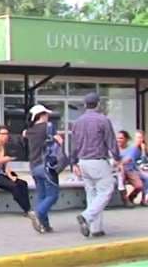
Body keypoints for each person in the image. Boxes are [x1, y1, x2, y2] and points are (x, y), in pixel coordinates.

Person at [71, 92, 121, 238]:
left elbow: (73, 144)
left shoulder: (77, 122)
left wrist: (73, 163)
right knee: (107, 189)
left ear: (85, 105)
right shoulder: (103, 120)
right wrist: (117, 158)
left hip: (83, 161)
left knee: (91, 194)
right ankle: (86, 216)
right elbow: (111, 141)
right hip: (98, 160)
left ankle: (95, 229)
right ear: (98, 104)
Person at [25, 105, 62, 233]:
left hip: (33, 166)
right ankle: (37, 213)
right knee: (53, 195)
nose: (47, 117)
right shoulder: (48, 126)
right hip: (46, 166)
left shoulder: (29, 130)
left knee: (42, 196)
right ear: (41, 115)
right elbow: (59, 141)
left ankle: (45, 225)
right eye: (46, 114)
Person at [0, 125, 31, 217]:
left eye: (7, 134)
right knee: (14, 186)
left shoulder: (3, 148)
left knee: (23, 184)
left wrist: (11, 176)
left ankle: (27, 209)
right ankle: (27, 209)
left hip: (1, 174)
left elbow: (6, 166)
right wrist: (3, 160)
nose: (6, 136)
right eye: (3, 134)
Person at [117, 130, 144, 207]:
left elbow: (129, 159)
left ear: (126, 139)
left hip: (130, 170)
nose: (118, 140)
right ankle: (126, 200)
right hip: (119, 171)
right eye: (118, 138)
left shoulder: (132, 148)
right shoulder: (115, 148)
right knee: (120, 179)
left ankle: (130, 197)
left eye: (121, 138)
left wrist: (121, 163)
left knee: (139, 186)